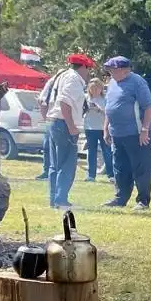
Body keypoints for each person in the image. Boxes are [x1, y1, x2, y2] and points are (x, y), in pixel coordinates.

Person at [102, 56, 151, 211]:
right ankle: (120, 199)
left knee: (141, 167)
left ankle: (143, 201)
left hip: (137, 133)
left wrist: (144, 129)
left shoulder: (137, 82)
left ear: (124, 70)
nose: (110, 72)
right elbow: (109, 108)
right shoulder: (112, 83)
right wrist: (106, 128)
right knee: (120, 167)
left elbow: (149, 107)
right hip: (117, 133)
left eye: (113, 69)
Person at [45, 54, 95, 208]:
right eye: (88, 69)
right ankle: (61, 200)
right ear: (83, 67)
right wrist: (72, 126)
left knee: (55, 165)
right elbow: (65, 103)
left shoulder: (60, 76)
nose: (88, 73)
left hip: (54, 122)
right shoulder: (74, 79)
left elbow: (43, 99)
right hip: (63, 124)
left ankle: (54, 199)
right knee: (67, 164)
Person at [84, 78, 113, 183]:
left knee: (107, 152)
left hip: (103, 128)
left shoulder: (105, 99)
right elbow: (80, 111)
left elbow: (109, 113)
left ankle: (111, 175)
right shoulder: (86, 98)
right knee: (91, 152)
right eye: (92, 88)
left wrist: (99, 109)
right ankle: (91, 175)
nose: (95, 90)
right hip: (89, 127)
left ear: (101, 88)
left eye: (97, 88)